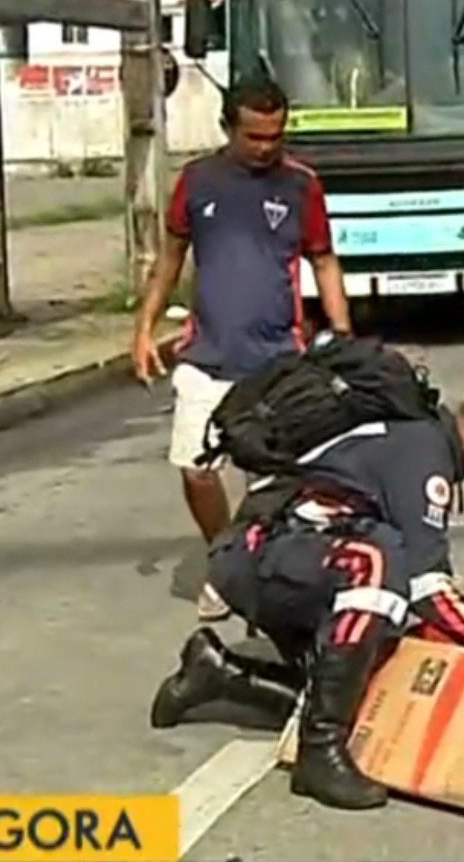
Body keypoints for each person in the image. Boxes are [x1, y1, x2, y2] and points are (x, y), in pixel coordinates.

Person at [148, 360, 464, 811]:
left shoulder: (422, 442)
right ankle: (318, 755)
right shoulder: (424, 451)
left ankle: (219, 674)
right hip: (261, 552)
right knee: (375, 564)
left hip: (288, 555)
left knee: (361, 682)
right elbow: (428, 588)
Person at [131, 77, 355, 622]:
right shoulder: (196, 181)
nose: (266, 147)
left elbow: (323, 261)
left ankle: (261, 572)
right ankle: (224, 555)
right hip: (206, 355)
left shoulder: (302, 186)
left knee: (274, 483)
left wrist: (343, 340)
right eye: (254, 136)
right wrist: (144, 328)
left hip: (279, 358)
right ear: (227, 127)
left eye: (275, 136)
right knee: (195, 469)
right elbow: (171, 257)